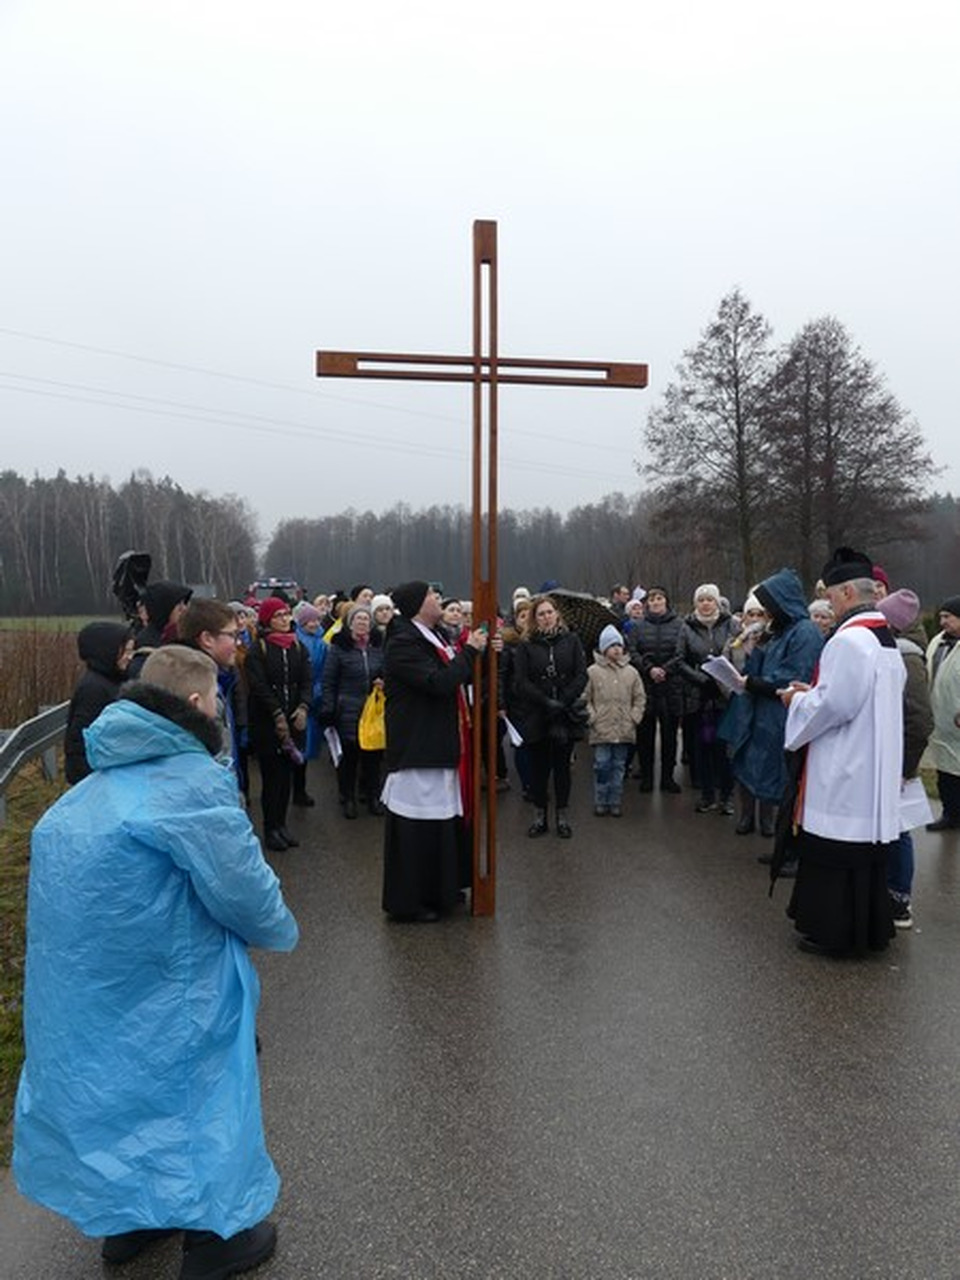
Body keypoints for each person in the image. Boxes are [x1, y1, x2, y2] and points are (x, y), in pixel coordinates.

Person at [13, 645, 298, 1278]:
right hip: (177, 981)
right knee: (199, 1093)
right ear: (196, 703)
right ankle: (217, 1238)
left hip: (90, 990)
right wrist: (279, 927)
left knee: (117, 1091)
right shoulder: (190, 783)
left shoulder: (87, 794)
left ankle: (130, 1221)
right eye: (216, 699)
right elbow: (244, 892)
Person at [779, 548, 904, 956]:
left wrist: (797, 701)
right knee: (864, 860)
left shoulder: (849, 640)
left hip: (847, 767)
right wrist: (815, 692)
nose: (828, 604)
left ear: (848, 591)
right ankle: (868, 929)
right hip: (872, 765)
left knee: (836, 854)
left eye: (830, 596)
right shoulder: (883, 637)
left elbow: (835, 706)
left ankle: (837, 934)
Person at [381, 580, 488, 923]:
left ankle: (442, 889)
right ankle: (410, 901)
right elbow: (438, 682)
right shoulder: (403, 643)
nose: (437, 598)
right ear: (416, 604)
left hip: (439, 742)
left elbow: (456, 672)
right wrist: (470, 651)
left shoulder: (435, 635)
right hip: (418, 747)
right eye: (430, 594)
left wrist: (481, 650)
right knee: (417, 828)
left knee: (441, 824)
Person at [721, 570, 824, 841]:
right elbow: (760, 669)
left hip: (783, 715)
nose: (766, 612)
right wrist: (755, 650)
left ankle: (784, 842)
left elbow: (794, 676)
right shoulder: (780, 630)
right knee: (756, 768)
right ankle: (773, 837)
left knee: (782, 779)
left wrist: (754, 683)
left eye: (769, 605)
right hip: (764, 713)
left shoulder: (805, 632)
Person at [878, 588, 934, 927]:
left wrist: (905, 767)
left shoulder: (908, 657)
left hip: (899, 761)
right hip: (890, 756)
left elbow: (919, 720)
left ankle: (899, 898)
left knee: (898, 829)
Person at [512, 594, 588, 839]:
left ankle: (562, 816)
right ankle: (540, 816)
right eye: (541, 614)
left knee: (562, 768)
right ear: (535, 619)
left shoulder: (572, 640)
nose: (546, 617)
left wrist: (563, 700)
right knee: (539, 769)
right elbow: (521, 680)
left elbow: (581, 674)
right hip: (537, 713)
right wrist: (545, 701)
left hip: (564, 713)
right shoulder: (526, 645)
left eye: (549, 612)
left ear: (557, 614)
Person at [244, 597, 313, 852]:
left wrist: (303, 706)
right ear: (267, 620)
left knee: (286, 777)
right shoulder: (258, 649)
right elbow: (259, 686)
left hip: (294, 722)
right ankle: (270, 828)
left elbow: (307, 681)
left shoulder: (298, 647)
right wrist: (276, 713)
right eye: (278, 616)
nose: (285, 619)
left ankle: (282, 825)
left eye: (286, 614)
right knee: (271, 778)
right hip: (267, 724)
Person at [320, 601, 385, 818]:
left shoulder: (378, 647)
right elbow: (329, 681)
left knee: (373, 756)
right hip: (347, 708)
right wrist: (329, 708)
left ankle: (374, 797)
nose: (362, 623)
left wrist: (383, 681)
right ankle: (348, 798)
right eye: (358, 619)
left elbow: (387, 671)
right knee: (349, 756)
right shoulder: (339, 648)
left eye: (366, 619)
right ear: (349, 623)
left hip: (373, 709)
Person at [676, 583, 737, 814]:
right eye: (701, 600)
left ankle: (727, 796)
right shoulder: (687, 627)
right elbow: (679, 660)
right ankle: (707, 794)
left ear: (717, 601)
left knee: (725, 747)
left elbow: (739, 652)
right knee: (703, 746)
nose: (705, 604)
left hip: (725, 695)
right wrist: (701, 679)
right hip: (700, 696)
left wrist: (725, 678)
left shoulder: (730, 624)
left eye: (709, 599)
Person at [63, 621, 135, 784]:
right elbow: (79, 742)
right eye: (126, 651)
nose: (130, 657)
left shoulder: (113, 680)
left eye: (131, 651)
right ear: (107, 651)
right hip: (95, 778)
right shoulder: (94, 689)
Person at [585, 625, 645, 817]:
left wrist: (634, 717)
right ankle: (600, 799)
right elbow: (585, 698)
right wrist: (592, 717)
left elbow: (639, 698)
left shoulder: (631, 672)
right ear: (604, 649)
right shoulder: (592, 672)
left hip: (624, 728)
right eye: (612, 646)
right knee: (602, 765)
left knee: (619, 766)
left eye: (619, 645)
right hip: (601, 729)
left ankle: (615, 800)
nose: (617, 649)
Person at [628, 586, 684, 793]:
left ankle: (668, 777)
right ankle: (647, 776)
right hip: (646, 686)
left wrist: (666, 670)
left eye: (659, 598)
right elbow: (632, 651)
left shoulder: (680, 625)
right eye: (651, 599)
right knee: (645, 735)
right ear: (647, 604)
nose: (656, 602)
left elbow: (682, 652)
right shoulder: (637, 626)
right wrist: (649, 668)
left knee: (670, 736)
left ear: (666, 601)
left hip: (671, 686)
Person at [925, 595, 960, 832]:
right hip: (942, 720)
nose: (942, 622)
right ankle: (950, 814)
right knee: (946, 772)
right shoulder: (938, 642)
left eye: (948, 617)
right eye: (941, 617)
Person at [291, 602, 328, 805]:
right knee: (298, 745)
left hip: (314, 697)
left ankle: (300, 790)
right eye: (310, 621)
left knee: (305, 747)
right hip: (301, 698)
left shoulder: (322, 643)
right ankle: (296, 790)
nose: (314, 624)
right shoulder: (295, 641)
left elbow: (325, 671)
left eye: (316, 620)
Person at [127, 579, 193, 678]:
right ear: (164, 609)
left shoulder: (182, 637)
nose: (184, 609)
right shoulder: (147, 648)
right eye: (179, 606)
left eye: (185, 604)